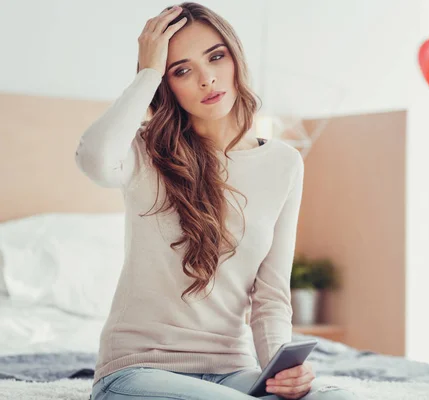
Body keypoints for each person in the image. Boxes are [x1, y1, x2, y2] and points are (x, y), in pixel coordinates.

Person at [75, 2, 359, 400]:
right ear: (166, 84)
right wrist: (146, 74)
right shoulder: (142, 152)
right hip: (137, 371)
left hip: (232, 371)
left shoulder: (283, 163)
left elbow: (271, 296)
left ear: (235, 57)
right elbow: (94, 160)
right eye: (182, 70)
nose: (207, 79)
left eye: (216, 57)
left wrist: (283, 370)